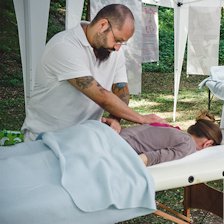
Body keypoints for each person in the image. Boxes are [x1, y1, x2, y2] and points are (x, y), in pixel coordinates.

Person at [21, 3, 164, 142]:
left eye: (122, 43)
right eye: (117, 40)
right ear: (103, 25)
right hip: (46, 138)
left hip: (85, 138)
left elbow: (121, 91)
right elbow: (101, 96)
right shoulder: (64, 45)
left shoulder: (114, 51)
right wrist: (141, 118)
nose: (118, 48)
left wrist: (114, 119)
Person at [119, 111, 222, 166]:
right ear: (207, 144)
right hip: (118, 148)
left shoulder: (180, 134)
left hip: (118, 138)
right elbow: (152, 157)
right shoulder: (188, 145)